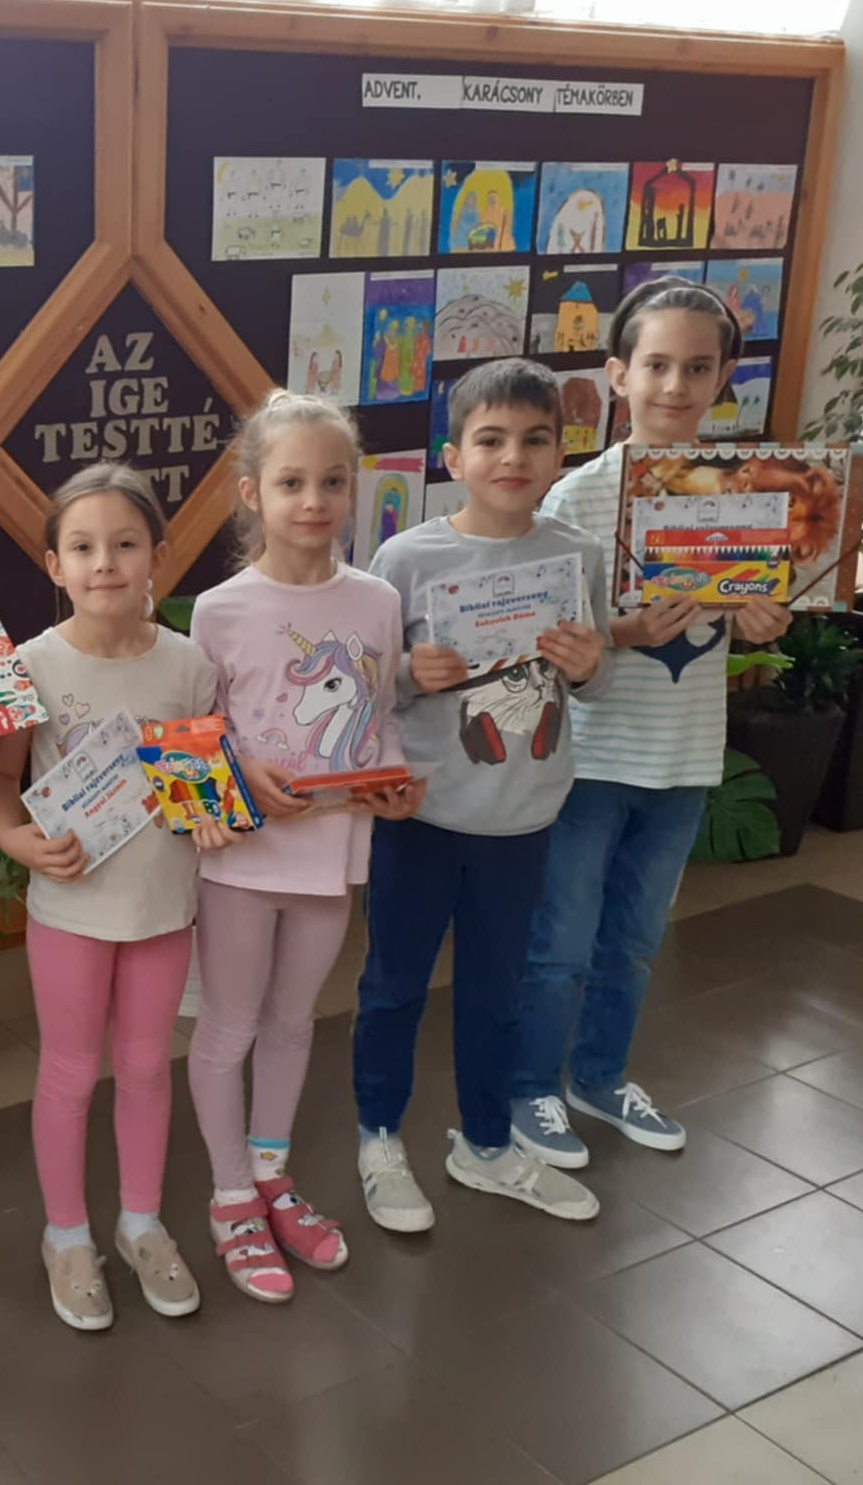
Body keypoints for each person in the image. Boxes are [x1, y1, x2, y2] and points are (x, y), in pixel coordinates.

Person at [510, 280, 791, 1166]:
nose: (675, 385)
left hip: (684, 757)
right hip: (590, 759)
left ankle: (598, 1076)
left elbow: (755, 606)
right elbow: (549, 637)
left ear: (724, 378)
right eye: (657, 364)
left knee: (632, 941)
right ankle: (529, 1089)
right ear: (618, 375)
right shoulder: (576, 499)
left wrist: (763, 622)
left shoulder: (749, 496)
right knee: (560, 943)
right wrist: (628, 632)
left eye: (697, 368)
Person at [355, 359, 611, 1233]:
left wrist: (591, 667)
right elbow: (369, 691)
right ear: (454, 457)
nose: (513, 457)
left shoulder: (576, 556)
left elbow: (595, 682)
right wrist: (406, 675)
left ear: (559, 453)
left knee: (496, 994)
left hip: (524, 816)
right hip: (424, 814)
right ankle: (379, 1138)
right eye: (491, 440)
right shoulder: (406, 558)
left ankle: (489, 1144)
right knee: (394, 986)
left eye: (535, 440)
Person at [186, 390, 424, 1304]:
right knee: (229, 1026)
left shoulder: (378, 601)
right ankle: (230, 1197)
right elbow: (200, 737)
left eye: (332, 481)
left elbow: (380, 716)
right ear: (253, 492)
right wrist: (239, 774)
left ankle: (271, 1174)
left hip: (333, 855)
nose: (314, 500)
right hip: (241, 863)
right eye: (291, 483)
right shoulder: (219, 610)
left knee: (294, 1022)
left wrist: (393, 783)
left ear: (353, 487)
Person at [0, 464, 225, 1331]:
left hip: (162, 908)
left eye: (124, 544)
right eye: (82, 547)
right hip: (72, 910)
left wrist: (213, 814)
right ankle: (67, 1235)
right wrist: (15, 839)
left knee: (150, 1065)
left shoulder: (188, 664)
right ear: (54, 565)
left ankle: (141, 1223)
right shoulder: (32, 665)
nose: (105, 563)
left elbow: (201, 791)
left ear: (159, 555)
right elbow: (0, 781)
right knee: (72, 1070)